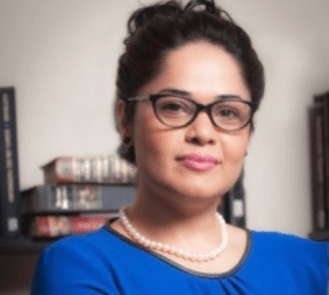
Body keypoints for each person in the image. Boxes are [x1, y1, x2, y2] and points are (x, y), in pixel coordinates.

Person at [30, 0, 327, 294]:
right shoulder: (78, 267)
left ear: (247, 133)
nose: (203, 132)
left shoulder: (309, 264)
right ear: (125, 120)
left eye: (228, 112)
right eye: (174, 106)